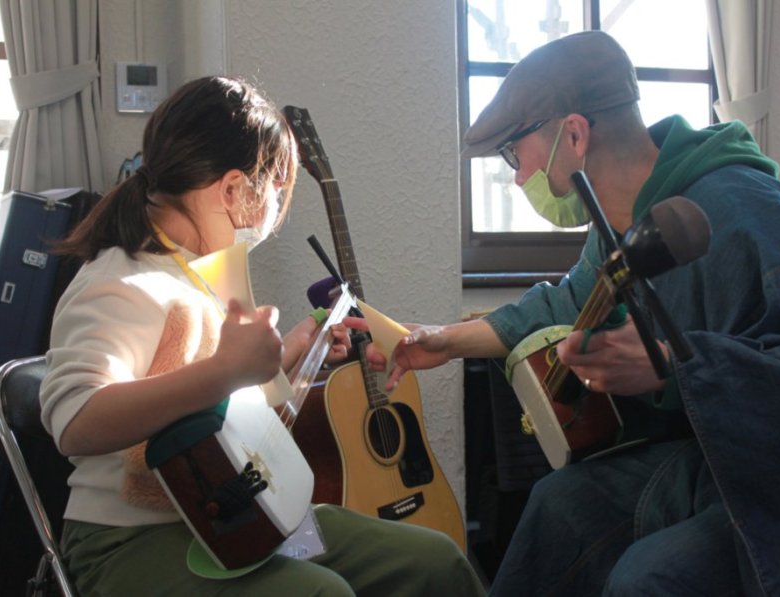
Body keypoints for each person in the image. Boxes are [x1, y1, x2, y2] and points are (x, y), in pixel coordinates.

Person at [349, 31, 780, 595]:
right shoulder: (621, 230)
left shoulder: (743, 206)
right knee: (561, 506)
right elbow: (568, 302)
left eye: (514, 153)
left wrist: (677, 364)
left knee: (647, 579)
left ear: (574, 134)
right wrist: (444, 340)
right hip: (721, 465)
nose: (515, 174)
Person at [41, 75, 486, 596]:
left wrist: (293, 356)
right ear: (233, 189)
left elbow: (209, 419)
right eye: (277, 193)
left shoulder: (198, 271)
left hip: (229, 516)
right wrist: (226, 370)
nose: (274, 217)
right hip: (126, 540)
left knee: (435, 561)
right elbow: (76, 422)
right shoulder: (121, 281)